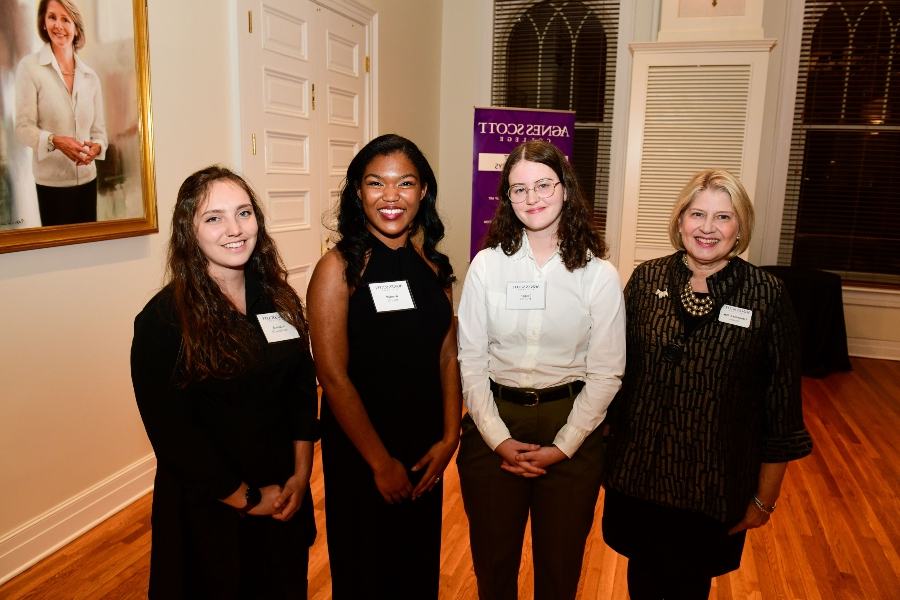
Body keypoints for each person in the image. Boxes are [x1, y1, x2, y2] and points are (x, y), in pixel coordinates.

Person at [602, 169, 814, 599]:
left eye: (723, 217)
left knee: (688, 586)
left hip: (711, 488)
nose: (707, 228)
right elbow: (614, 375)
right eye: (697, 214)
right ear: (680, 221)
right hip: (639, 478)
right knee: (641, 582)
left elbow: (782, 411)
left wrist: (763, 501)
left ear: (740, 229)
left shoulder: (767, 295)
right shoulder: (646, 281)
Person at [131, 166, 317, 599]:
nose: (235, 229)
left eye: (244, 213)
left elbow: (301, 392)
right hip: (212, 513)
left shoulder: (279, 300)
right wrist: (249, 499)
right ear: (188, 231)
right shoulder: (163, 322)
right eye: (214, 218)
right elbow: (175, 435)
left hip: (284, 499)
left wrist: (300, 475)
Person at [456, 140, 626, 600]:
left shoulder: (598, 275)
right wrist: (497, 438)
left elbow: (607, 372)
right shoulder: (487, 267)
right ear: (507, 200)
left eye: (543, 185)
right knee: (493, 566)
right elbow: (470, 359)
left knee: (560, 567)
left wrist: (565, 446)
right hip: (495, 418)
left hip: (572, 421)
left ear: (566, 190)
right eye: (519, 189)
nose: (532, 198)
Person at [306, 134, 462, 599]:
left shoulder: (435, 268)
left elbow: (447, 355)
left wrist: (450, 436)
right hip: (363, 451)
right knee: (367, 573)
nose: (391, 197)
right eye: (376, 183)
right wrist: (379, 463)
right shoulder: (337, 271)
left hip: (424, 448)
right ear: (358, 192)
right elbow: (332, 377)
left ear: (424, 193)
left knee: (415, 571)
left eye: (405, 183)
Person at [15, 0, 107, 226]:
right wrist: (56, 141)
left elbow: (100, 131)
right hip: (51, 186)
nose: (58, 25)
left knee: (89, 253)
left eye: (66, 19)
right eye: (52, 17)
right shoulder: (30, 68)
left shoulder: (90, 77)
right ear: (44, 23)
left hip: (87, 181)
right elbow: (23, 128)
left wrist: (97, 147)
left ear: (76, 28)